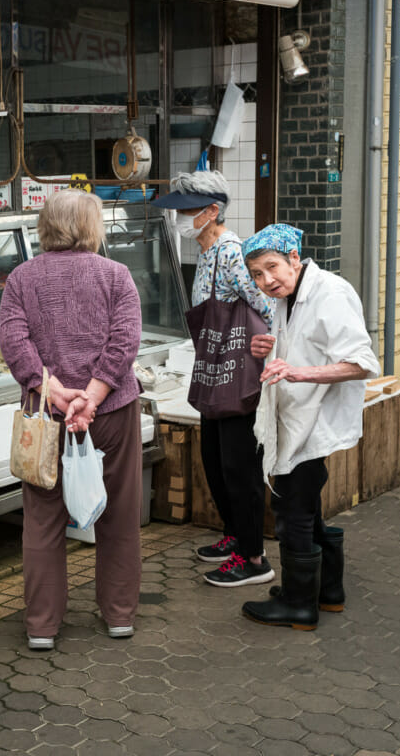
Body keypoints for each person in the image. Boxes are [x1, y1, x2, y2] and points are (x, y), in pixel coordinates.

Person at [0, 188, 143, 651]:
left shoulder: (21, 278)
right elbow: (125, 340)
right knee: (118, 513)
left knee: (43, 518)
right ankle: (119, 615)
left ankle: (42, 625)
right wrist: (95, 395)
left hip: (46, 415)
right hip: (113, 411)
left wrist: (54, 391)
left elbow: (13, 341)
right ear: (92, 227)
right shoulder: (116, 275)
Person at [239, 224, 379, 631]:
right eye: (257, 275)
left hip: (313, 419)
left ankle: (300, 606)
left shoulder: (329, 294)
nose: (267, 281)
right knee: (304, 505)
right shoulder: (291, 295)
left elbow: (361, 363)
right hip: (300, 418)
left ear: (295, 259)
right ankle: (326, 592)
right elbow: (304, 343)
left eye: (272, 268)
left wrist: (299, 373)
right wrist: (270, 346)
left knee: (292, 512)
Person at [152, 170, 275, 588]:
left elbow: (267, 305)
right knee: (215, 462)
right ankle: (234, 536)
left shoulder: (232, 252)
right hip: (213, 368)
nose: (181, 219)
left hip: (237, 375)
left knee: (239, 467)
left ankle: (255, 558)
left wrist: (268, 350)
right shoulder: (206, 253)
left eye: (187, 211)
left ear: (212, 212)